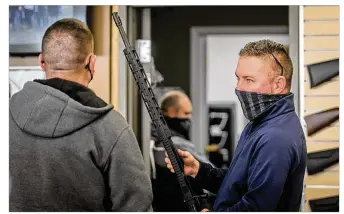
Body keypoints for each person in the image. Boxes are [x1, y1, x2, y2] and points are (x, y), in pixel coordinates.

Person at [9, 18, 153, 212]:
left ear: (41, 61)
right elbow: (137, 205)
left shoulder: (7, 114)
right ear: (92, 63)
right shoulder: (111, 127)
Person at [165, 39, 307, 211]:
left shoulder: (275, 137)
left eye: (248, 80)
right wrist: (199, 171)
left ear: (278, 84)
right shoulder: (261, 123)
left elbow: (257, 208)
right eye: (238, 78)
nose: (238, 87)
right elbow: (240, 183)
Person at [150, 90, 214, 211]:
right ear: (172, 112)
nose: (189, 118)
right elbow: (208, 172)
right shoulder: (174, 142)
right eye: (186, 113)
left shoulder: (153, 134)